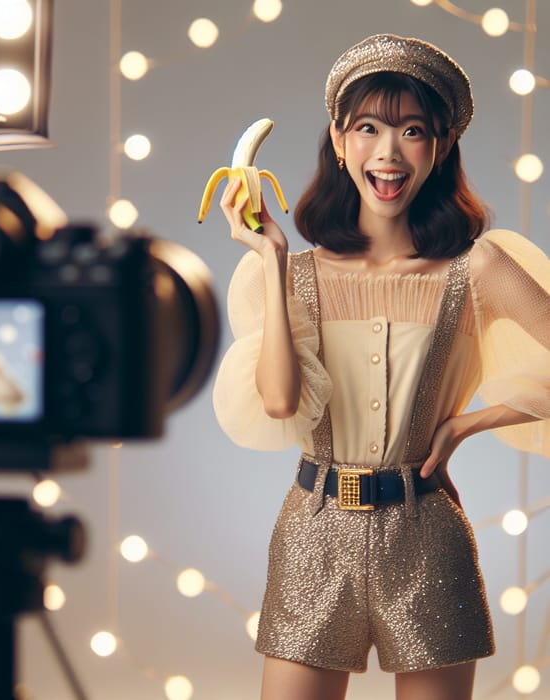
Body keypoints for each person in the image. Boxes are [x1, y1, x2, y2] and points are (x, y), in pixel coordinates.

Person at [212, 34, 550, 700]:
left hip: (426, 534)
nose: (388, 152)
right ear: (339, 141)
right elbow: (280, 403)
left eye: (412, 130)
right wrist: (270, 257)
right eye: (367, 127)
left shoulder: (477, 268)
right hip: (313, 532)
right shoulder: (289, 274)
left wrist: (472, 423)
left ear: (442, 147)